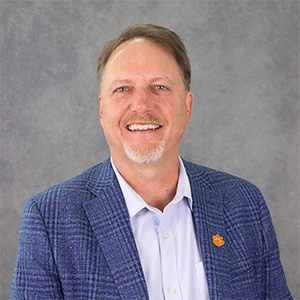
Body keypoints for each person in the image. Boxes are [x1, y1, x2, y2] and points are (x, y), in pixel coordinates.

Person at [10, 24, 292, 300]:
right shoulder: (51, 219)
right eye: (123, 89)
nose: (142, 105)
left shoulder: (243, 204)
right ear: (101, 109)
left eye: (159, 86)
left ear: (187, 105)